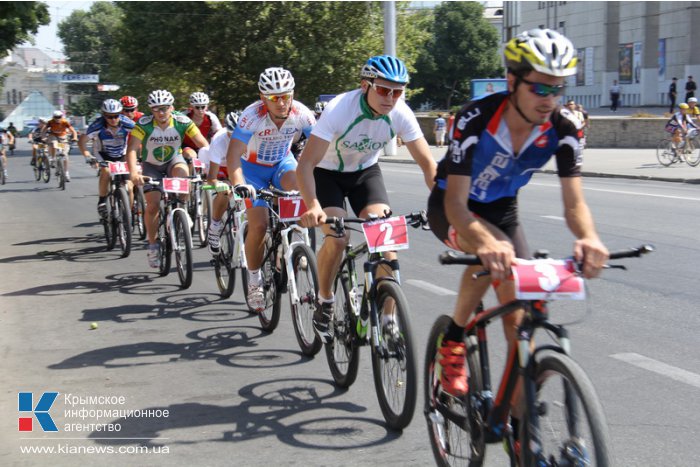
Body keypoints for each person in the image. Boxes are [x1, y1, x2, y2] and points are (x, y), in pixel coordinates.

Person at [425, 27, 608, 442]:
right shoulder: (474, 120)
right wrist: (485, 242)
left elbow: (574, 205)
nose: (549, 99)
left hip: (504, 210)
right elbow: (456, 204)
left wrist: (589, 237)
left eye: (558, 89)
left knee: (521, 318)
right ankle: (453, 340)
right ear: (512, 82)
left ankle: (519, 426)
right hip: (453, 206)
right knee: (497, 257)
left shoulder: (564, 128)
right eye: (540, 87)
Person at [297, 55, 437, 343]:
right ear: (365, 85)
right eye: (384, 90)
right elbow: (306, 165)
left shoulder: (401, 113)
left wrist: (444, 204)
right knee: (337, 238)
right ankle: (324, 300)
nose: (391, 98)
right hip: (326, 173)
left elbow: (428, 165)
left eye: (398, 92)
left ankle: (389, 318)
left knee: (387, 239)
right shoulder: (339, 109)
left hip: (364, 173)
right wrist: (312, 205)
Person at [225, 67, 316, 311]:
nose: (282, 102)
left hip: (282, 164)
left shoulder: (302, 114)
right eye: (274, 97)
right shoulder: (251, 116)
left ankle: (297, 239)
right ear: (263, 97)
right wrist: (239, 185)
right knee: (259, 226)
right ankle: (254, 281)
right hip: (252, 171)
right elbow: (233, 156)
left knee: (299, 187)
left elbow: (321, 148)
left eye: (286, 95)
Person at [126, 89, 209, 268]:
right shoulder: (144, 124)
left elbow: (202, 143)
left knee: (183, 174)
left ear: (172, 107)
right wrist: (134, 173)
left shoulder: (182, 121)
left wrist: (210, 166)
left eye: (164, 108)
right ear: (151, 110)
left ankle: (182, 209)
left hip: (173, 160)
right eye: (156, 109)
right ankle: (153, 244)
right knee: (153, 204)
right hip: (151, 165)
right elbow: (132, 148)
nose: (161, 113)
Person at [78, 99, 135, 218]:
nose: (113, 119)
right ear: (104, 115)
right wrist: (87, 155)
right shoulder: (97, 125)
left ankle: (128, 215)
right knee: (106, 171)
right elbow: (82, 141)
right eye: (109, 117)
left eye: (116, 116)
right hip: (103, 154)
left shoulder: (127, 123)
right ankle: (102, 201)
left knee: (129, 186)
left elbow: (143, 136)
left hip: (122, 154)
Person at [202, 111, 239, 255]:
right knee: (225, 192)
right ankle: (215, 227)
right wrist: (219, 184)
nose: (236, 137)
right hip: (221, 166)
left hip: (239, 166)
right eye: (232, 134)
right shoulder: (219, 141)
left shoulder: (252, 138)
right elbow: (212, 178)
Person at [182, 92, 222, 161]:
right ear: (192, 106)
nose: (200, 110)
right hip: (185, 145)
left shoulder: (211, 117)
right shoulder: (184, 116)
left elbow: (220, 133)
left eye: (203, 107)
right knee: (191, 157)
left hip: (202, 146)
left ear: (206, 107)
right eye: (197, 107)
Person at [43, 110, 78, 181]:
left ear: (61, 117)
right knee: (54, 144)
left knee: (65, 155)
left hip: (62, 137)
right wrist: (43, 137)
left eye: (59, 117)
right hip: (53, 136)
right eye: (56, 117)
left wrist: (75, 137)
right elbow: (44, 130)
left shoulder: (65, 122)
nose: (57, 118)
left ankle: (66, 172)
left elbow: (73, 131)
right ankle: (52, 159)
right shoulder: (50, 122)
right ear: (53, 117)